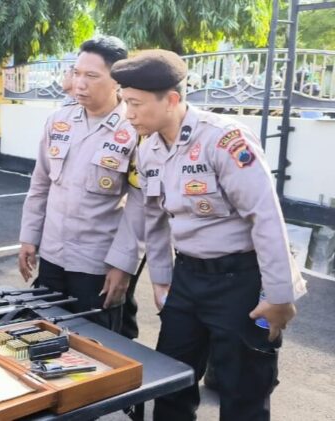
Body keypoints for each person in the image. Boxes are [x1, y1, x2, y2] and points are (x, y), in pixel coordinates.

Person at [111, 49, 307, 421]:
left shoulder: (223, 139)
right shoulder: (149, 148)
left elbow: (265, 215)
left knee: (243, 391)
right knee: (171, 382)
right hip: (187, 279)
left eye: (135, 104)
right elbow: (155, 220)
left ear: (171, 100)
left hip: (240, 282)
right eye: (125, 103)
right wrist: (163, 282)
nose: (128, 114)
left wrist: (280, 295)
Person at [18, 36, 142, 332]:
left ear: (116, 81)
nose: (79, 84)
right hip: (52, 256)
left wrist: (123, 265)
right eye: (76, 73)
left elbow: (143, 207)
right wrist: (28, 237)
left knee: (97, 348)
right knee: (42, 338)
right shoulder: (58, 121)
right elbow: (40, 184)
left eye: (91, 76)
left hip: (96, 265)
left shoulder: (135, 129)